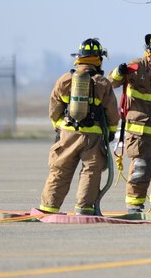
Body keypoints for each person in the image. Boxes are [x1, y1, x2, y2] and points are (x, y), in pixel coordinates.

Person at [40, 39, 119, 215]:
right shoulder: (102, 83)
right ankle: (84, 209)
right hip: (93, 137)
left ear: (79, 58)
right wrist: (111, 132)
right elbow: (112, 113)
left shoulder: (65, 80)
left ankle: (48, 208)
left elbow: (54, 109)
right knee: (90, 172)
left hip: (68, 135)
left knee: (60, 170)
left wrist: (60, 127)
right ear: (98, 59)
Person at [110, 32, 151, 216]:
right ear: (149, 52)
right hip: (140, 132)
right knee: (141, 168)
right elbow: (111, 82)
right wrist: (119, 72)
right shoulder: (135, 66)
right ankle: (135, 207)